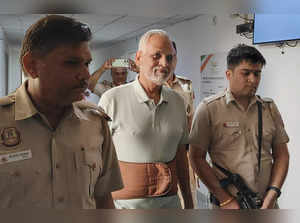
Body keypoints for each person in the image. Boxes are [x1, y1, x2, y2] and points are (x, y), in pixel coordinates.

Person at [0, 15, 123, 208]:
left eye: (87, 64)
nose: (85, 75)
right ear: (31, 66)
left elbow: (103, 200)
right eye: (71, 63)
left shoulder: (95, 123)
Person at [99, 29, 193, 209]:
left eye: (170, 57)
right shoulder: (112, 100)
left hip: (170, 207)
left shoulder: (177, 102)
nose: (164, 63)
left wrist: (188, 201)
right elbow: (96, 160)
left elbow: (181, 156)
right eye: (156, 56)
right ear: (139, 58)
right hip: (124, 208)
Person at [189, 44, 289, 209]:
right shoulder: (209, 109)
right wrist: (225, 199)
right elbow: (196, 157)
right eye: (246, 73)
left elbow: (282, 155)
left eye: (257, 74)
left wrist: (273, 193)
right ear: (228, 74)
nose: (253, 79)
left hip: (266, 204)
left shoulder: (269, 108)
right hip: (229, 206)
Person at [165, 41, 197, 207]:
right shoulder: (151, 87)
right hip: (163, 157)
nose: (167, 61)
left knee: (189, 200)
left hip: (184, 154)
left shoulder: (186, 85)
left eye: (171, 57)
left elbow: (191, 119)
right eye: (160, 56)